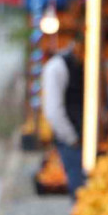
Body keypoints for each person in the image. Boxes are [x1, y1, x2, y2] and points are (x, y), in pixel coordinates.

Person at [41, 43, 86, 195]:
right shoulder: (57, 67)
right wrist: (72, 138)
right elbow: (53, 111)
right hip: (73, 140)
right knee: (79, 186)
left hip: (83, 137)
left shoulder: (86, 64)